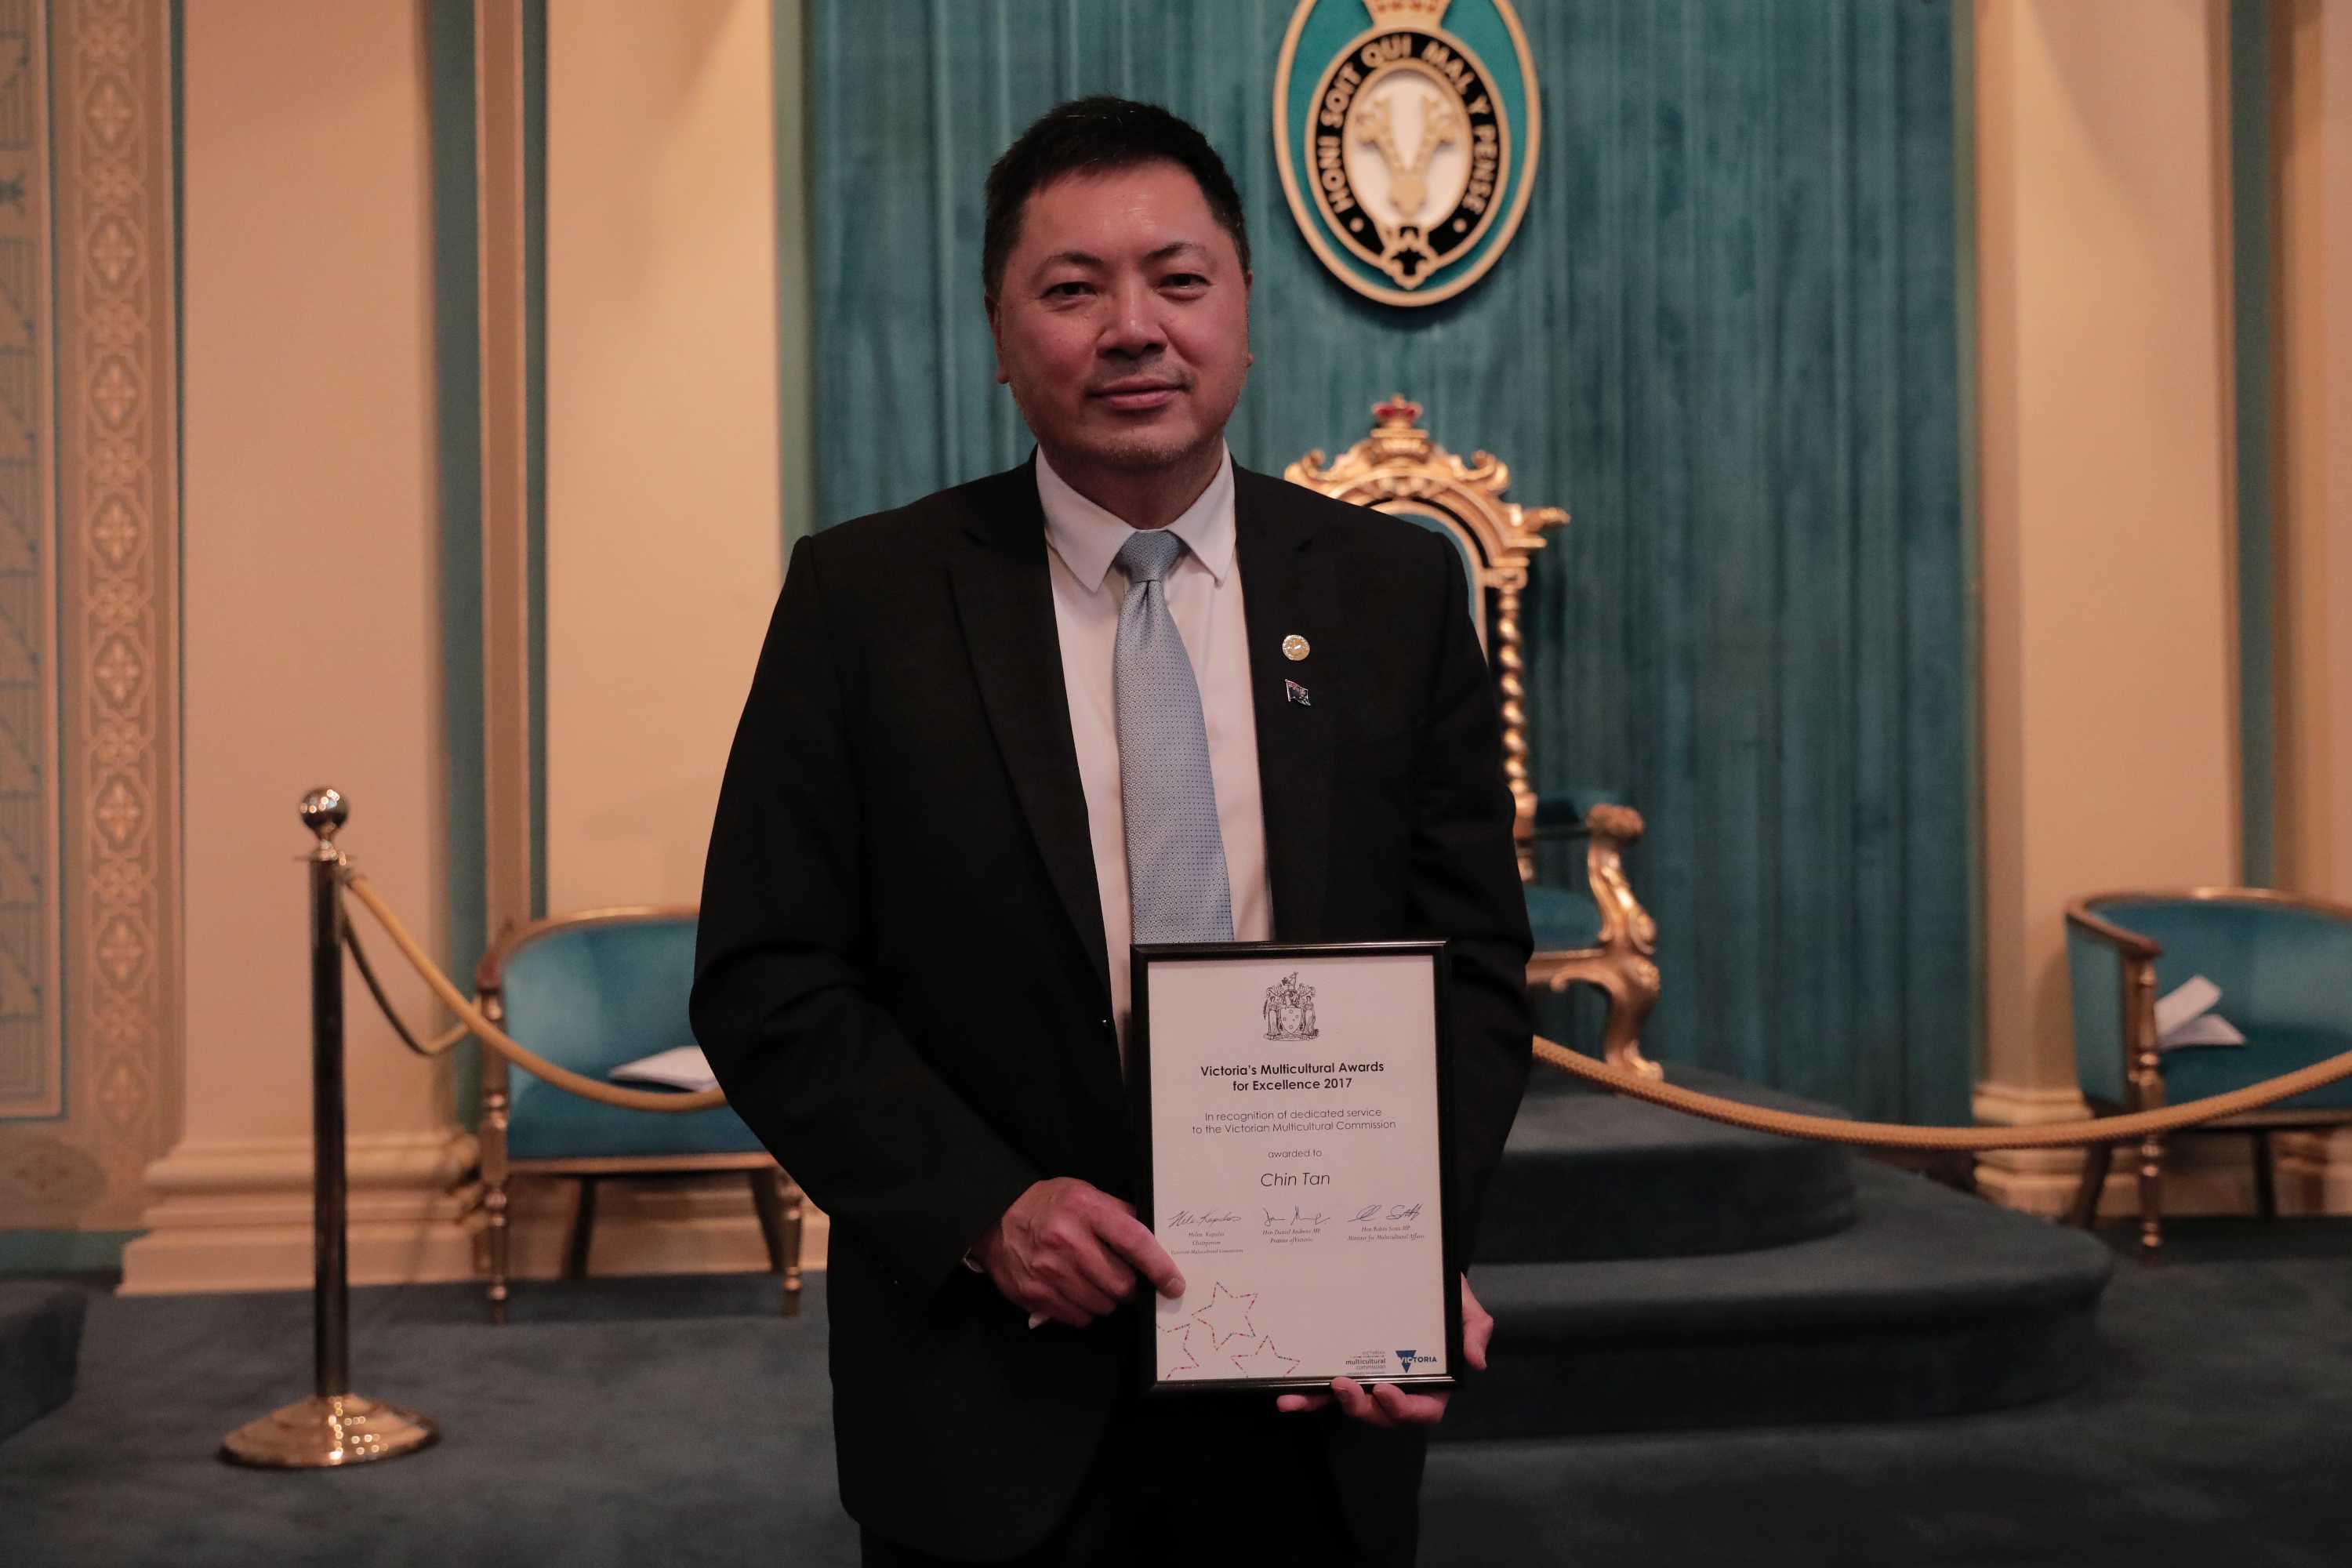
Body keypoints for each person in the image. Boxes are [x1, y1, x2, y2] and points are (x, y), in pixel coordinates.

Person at [691, 95, 1532, 1566]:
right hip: (990, 1388)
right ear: (1005, 336)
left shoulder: (1393, 597)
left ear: (1245, 313)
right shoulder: (865, 605)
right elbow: (771, 980)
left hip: (1311, 1399)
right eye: (1072, 288)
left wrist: (1406, 1244)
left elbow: (1469, 969)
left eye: (1178, 279)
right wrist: (984, 1209)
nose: (1133, 328)